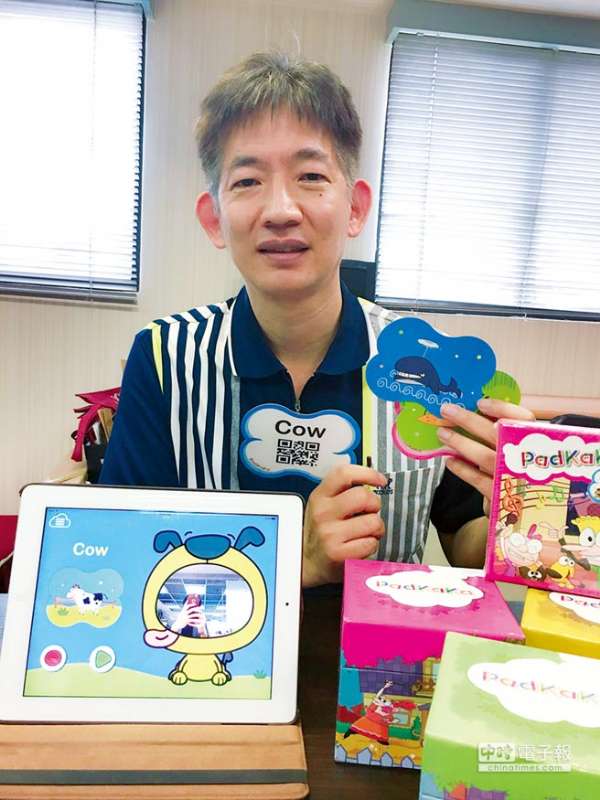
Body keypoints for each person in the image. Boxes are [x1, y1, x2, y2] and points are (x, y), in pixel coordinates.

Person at [100, 52, 534, 587]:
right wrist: (296, 563)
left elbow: (465, 536)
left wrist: (514, 511)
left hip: (381, 643)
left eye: (310, 176)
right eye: (247, 181)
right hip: (206, 634)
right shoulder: (165, 357)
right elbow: (122, 548)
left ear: (354, 208)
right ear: (214, 219)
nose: (281, 210)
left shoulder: (426, 365)